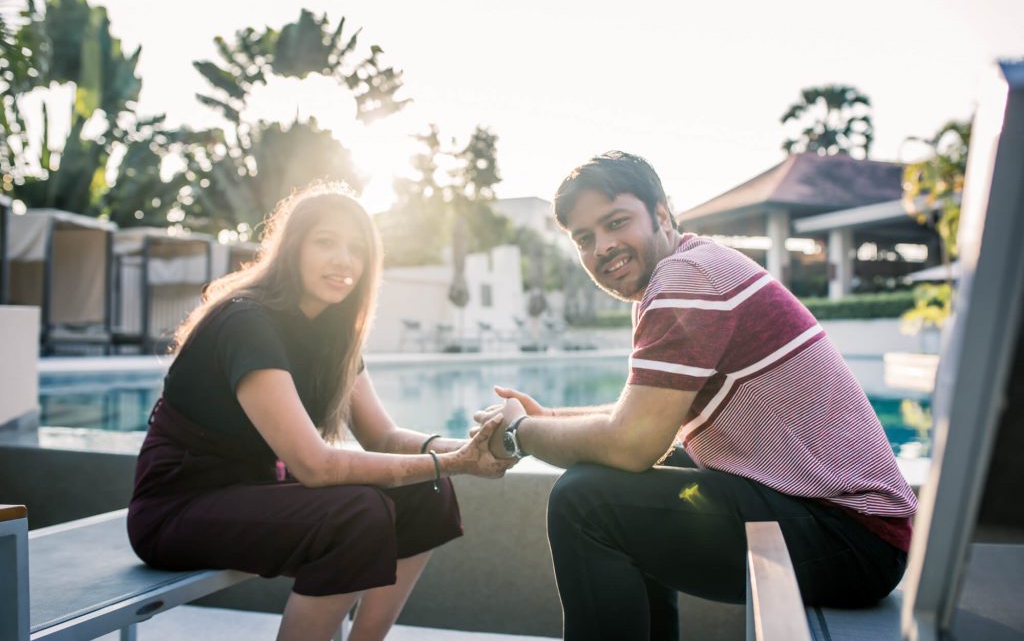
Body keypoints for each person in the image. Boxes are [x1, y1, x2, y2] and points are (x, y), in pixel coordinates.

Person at [474, 151, 917, 641]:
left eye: (615, 222)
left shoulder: (686, 279)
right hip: (842, 522)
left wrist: (519, 434)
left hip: (852, 534)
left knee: (585, 503)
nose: (601, 247)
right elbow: (641, 416)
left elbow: (632, 443)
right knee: (614, 479)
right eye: (585, 239)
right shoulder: (682, 271)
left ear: (661, 213)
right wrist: (551, 417)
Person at [128, 184, 513, 641]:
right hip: (176, 510)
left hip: (255, 493)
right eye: (325, 242)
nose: (342, 260)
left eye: (356, 249)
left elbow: (383, 438)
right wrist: (455, 462)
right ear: (293, 247)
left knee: (429, 492)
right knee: (356, 515)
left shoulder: (333, 335)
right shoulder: (246, 321)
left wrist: (468, 451)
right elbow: (314, 465)